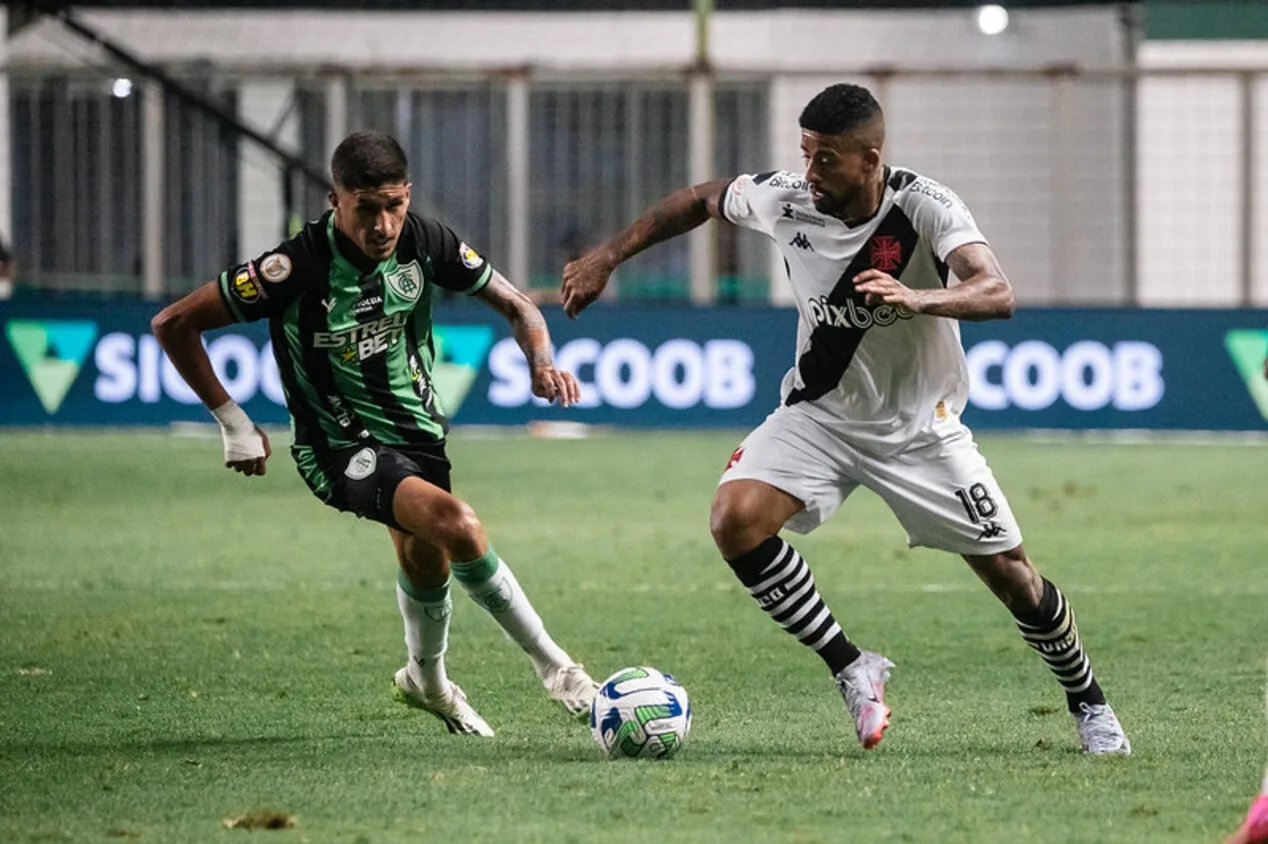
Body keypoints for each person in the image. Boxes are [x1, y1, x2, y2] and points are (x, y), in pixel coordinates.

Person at [561, 83, 1129, 754]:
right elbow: (699, 199)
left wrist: (919, 298)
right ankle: (851, 666)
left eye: (826, 158)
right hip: (820, 418)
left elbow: (995, 289)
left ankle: (1089, 703)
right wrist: (607, 257)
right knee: (734, 519)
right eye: (805, 154)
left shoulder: (923, 206)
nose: (809, 173)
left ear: (870, 159)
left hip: (920, 431)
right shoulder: (788, 199)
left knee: (1014, 579)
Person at [153, 130, 598, 737]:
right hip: (336, 448)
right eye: (366, 209)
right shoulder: (294, 267)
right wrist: (233, 422)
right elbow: (174, 323)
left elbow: (519, 306)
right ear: (334, 200)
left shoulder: (425, 241)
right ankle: (560, 672)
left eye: (393, 205)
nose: (383, 225)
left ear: (407, 196)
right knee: (458, 525)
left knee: (427, 560)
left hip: (418, 437)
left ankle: (427, 682)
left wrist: (541, 362)